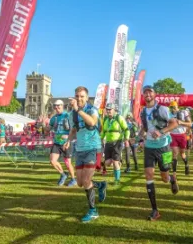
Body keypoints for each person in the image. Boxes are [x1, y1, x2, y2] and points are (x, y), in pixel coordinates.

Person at [66, 86, 107, 222]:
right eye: (77, 96)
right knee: (79, 183)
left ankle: (93, 211)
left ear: (87, 98)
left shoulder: (91, 109)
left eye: (82, 96)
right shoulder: (73, 114)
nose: (79, 98)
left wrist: (79, 110)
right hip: (80, 149)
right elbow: (73, 130)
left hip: (93, 148)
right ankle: (100, 185)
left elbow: (92, 122)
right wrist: (68, 140)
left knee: (86, 181)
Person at [139, 85, 179, 221]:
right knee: (149, 174)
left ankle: (172, 179)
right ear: (143, 96)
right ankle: (155, 210)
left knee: (164, 178)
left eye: (150, 92)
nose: (147, 94)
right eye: (145, 93)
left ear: (154, 95)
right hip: (149, 147)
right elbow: (144, 128)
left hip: (163, 147)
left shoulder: (163, 109)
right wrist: (139, 137)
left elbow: (175, 123)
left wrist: (161, 132)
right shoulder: (142, 112)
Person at [45, 100, 77, 187]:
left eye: (58, 106)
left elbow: (73, 128)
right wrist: (45, 128)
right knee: (52, 161)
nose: (56, 107)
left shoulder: (68, 115)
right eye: (55, 106)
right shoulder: (54, 118)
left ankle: (74, 179)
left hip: (66, 142)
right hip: (56, 142)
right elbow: (48, 128)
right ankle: (63, 174)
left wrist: (68, 139)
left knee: (67, 163)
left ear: (62, 106)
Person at [101, 103, 130, 184]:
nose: (108, 111)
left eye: (110, 109)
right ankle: (119, 160)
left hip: (118, 142)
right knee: (107, 163)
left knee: (115, 162)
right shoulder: (106, 119)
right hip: (108, 143)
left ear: (114, 110)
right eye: (107, 109)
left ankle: (117, 180)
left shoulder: (119, 117)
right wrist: (101, 138)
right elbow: (104, 131)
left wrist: (126, 138)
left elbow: (126, 129)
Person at [169, 101, 192, 176]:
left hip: (182, 135)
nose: (173, 109)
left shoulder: (184, 112)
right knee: (175, 153)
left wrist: (181, 122)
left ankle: (186, 165)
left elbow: (190, 124)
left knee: (182, 153)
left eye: (174, 107)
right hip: (173, 135)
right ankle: (174, 173)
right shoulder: (169, 114)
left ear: (177, 106)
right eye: (171, 107)